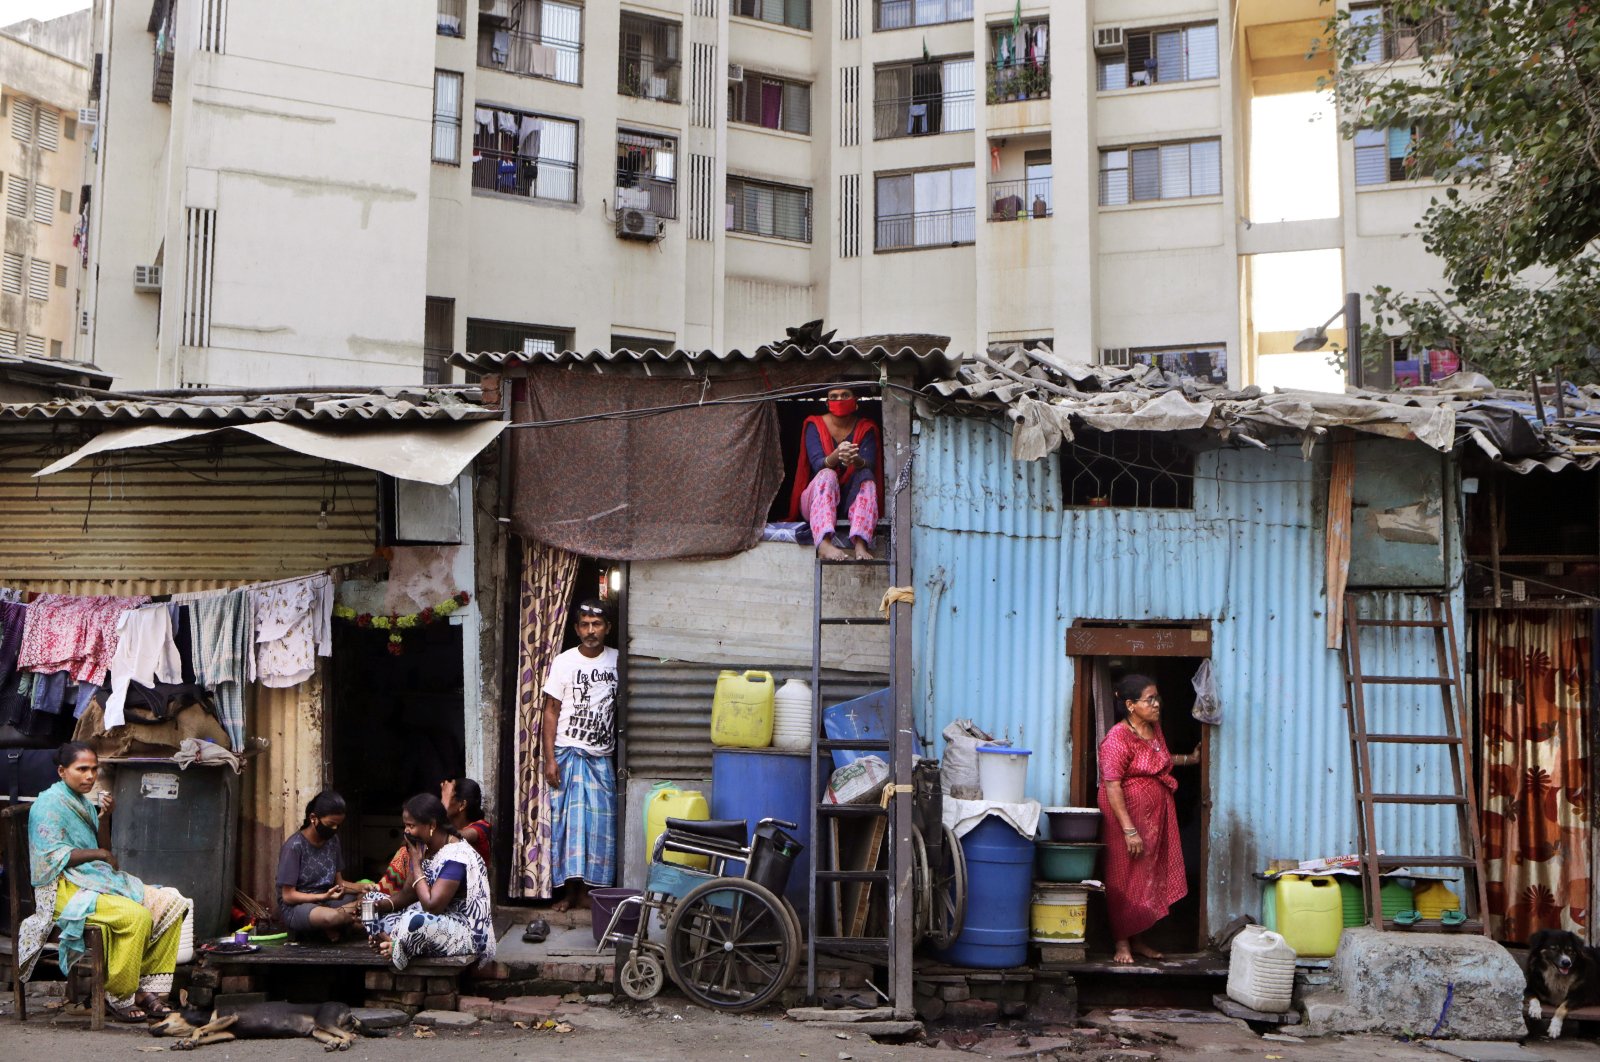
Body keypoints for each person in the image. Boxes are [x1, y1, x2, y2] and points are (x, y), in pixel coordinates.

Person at [18, 742, 190, 1022]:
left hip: (92, 880)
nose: (90, 776)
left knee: (172, 902)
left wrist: (105, 818)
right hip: (63, 889)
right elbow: (52, 857)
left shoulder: (83, 801)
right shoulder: (47, 804)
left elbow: (103, 849)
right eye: (82, 769)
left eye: (94, 769)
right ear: (62, 771)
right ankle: (119, 994)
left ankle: (147, 990)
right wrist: (99, 853)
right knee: (136, 916)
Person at [1097, 675, 1201, 965]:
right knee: (1123, 876)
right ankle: (1121, 943)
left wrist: (1190, 760)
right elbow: (1112, 785)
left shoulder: (1154, 730)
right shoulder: (1117, 739)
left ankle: (1138, 938)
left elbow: (1160, 762)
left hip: (1153, 820)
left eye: (1157, 698)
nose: (1157, 704)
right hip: (1125, 821)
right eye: (1149, 699)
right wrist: (1129, 830)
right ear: (1130, 705)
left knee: (1146, 875)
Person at [541, 599, 618, 912]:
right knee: (568, 827)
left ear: (607, 628)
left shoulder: (618, 660)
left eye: (596, 624)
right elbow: (550, 710)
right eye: (584, 624)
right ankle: (570, 894)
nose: (590, 630)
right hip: (568, 753)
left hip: (601, 758)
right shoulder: (564, 662)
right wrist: (549, 759)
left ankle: (593, 893)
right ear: (575, 628)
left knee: (600, 826)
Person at [368, 792, 494, 970]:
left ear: (432, 825)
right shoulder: (426, 849)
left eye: (411, 826)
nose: (406, 831)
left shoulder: (456, 856)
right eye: (405, 825)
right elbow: (407, 895)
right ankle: (394, 942)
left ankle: (397, 946)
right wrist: (377, 905)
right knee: (370, 901)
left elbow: (432, 906)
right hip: (433, 921)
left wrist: (416, 864)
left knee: (415, 920)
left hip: (462, 931)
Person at [787, 386, 883, 562]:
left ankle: (861, 542)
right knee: (827, 474)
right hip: (816, 501)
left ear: (855, 401)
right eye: (834, 396)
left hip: (847, 503)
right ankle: (823, 543)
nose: (840, 399)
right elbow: (817, 464)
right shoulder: (814, 425)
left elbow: (869, 463)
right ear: (827, 402)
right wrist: (837, 454)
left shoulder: (865, 428)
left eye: (845, 395)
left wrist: (856, 459)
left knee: (867, 478)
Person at [276, 789, 377, 939]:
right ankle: (352, 923)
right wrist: (323, 896)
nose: (334, 829)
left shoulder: (333, 841)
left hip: (331, 901)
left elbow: (340, 884)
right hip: (299, 907)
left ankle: (347, 925)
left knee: (370, 898)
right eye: (331, 824)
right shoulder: (294, 846)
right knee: (331, 917)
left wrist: (364, 888)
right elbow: (288, 896)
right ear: (313, 818)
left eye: (338, 825)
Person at [380, 777, 491, 895]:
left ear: (462, 805)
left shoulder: (481, 827)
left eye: (447, 798)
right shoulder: (445, 825)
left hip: (460, 895)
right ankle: (384, 892)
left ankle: (385, 893)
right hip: (438, 885)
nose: (441, 801)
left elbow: (459, 836)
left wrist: (444, 805)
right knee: (405, 852)